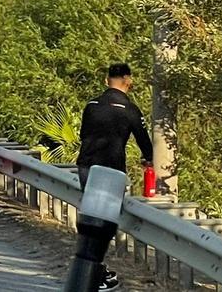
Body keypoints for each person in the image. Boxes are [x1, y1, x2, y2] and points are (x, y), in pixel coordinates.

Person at [77, 63, 154, 292]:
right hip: (110, 170)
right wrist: (148, 160)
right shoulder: (130, 109)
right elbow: (144, 143)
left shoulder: (91, 105)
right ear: (128, 81)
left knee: (90, 219)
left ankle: (89, 271)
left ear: (106, 80)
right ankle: (97, 274)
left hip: (86, 166)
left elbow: (83, 135)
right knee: (105, 223)